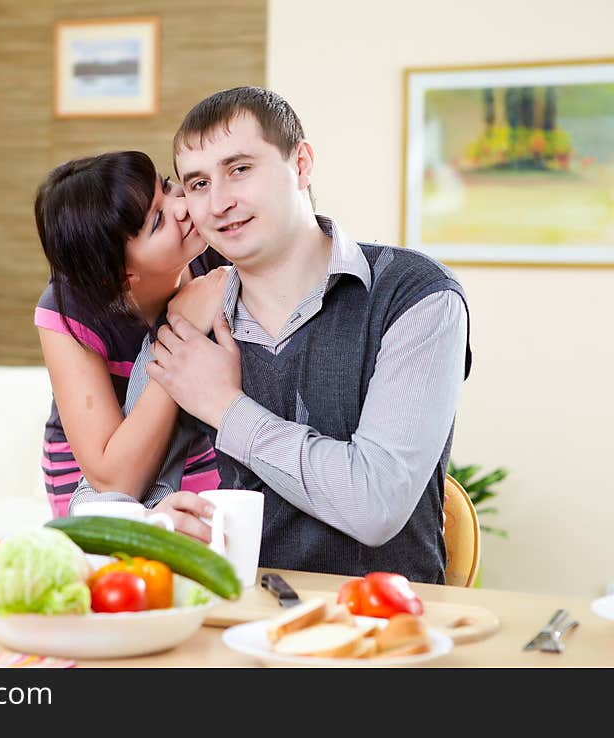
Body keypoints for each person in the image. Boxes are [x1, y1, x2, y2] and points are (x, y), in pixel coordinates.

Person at [72, 88, 471, 583]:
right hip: (231, 625)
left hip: (380, 627)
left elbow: (376, 505)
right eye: (198, 183)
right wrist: (154, 522)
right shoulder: (188, 324)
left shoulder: (414, 295)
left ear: (301, 163)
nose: (219, 203)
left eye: (239, 169)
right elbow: (100, 498)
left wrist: (224, 406)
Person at [33, 151, 228, 519]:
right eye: (158, 220)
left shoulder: (214, 256)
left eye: (167, 187)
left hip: (194, 452)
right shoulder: (69, 307)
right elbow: (113, 481)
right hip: (89, 478)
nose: (183, 206)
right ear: (121, 277)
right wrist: (179, 333)